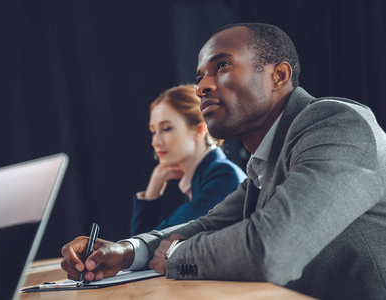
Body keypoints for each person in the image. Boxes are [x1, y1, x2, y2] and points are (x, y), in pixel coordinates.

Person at [61, 23, 386, 300]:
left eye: (223, 66)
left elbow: (269, 251)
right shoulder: (265, 162)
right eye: (200, 75)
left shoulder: (337, 123)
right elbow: (207, 225)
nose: (201, 86)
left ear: (278, 75)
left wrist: (176, 255)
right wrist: (128, 252)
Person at [130, 84, 246, 235]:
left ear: (199, 130)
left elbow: (152, 245)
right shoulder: (202, 178)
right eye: (153, 131)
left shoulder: (223, 177)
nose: (155, 142)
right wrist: (154, 186)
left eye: (166, 129)